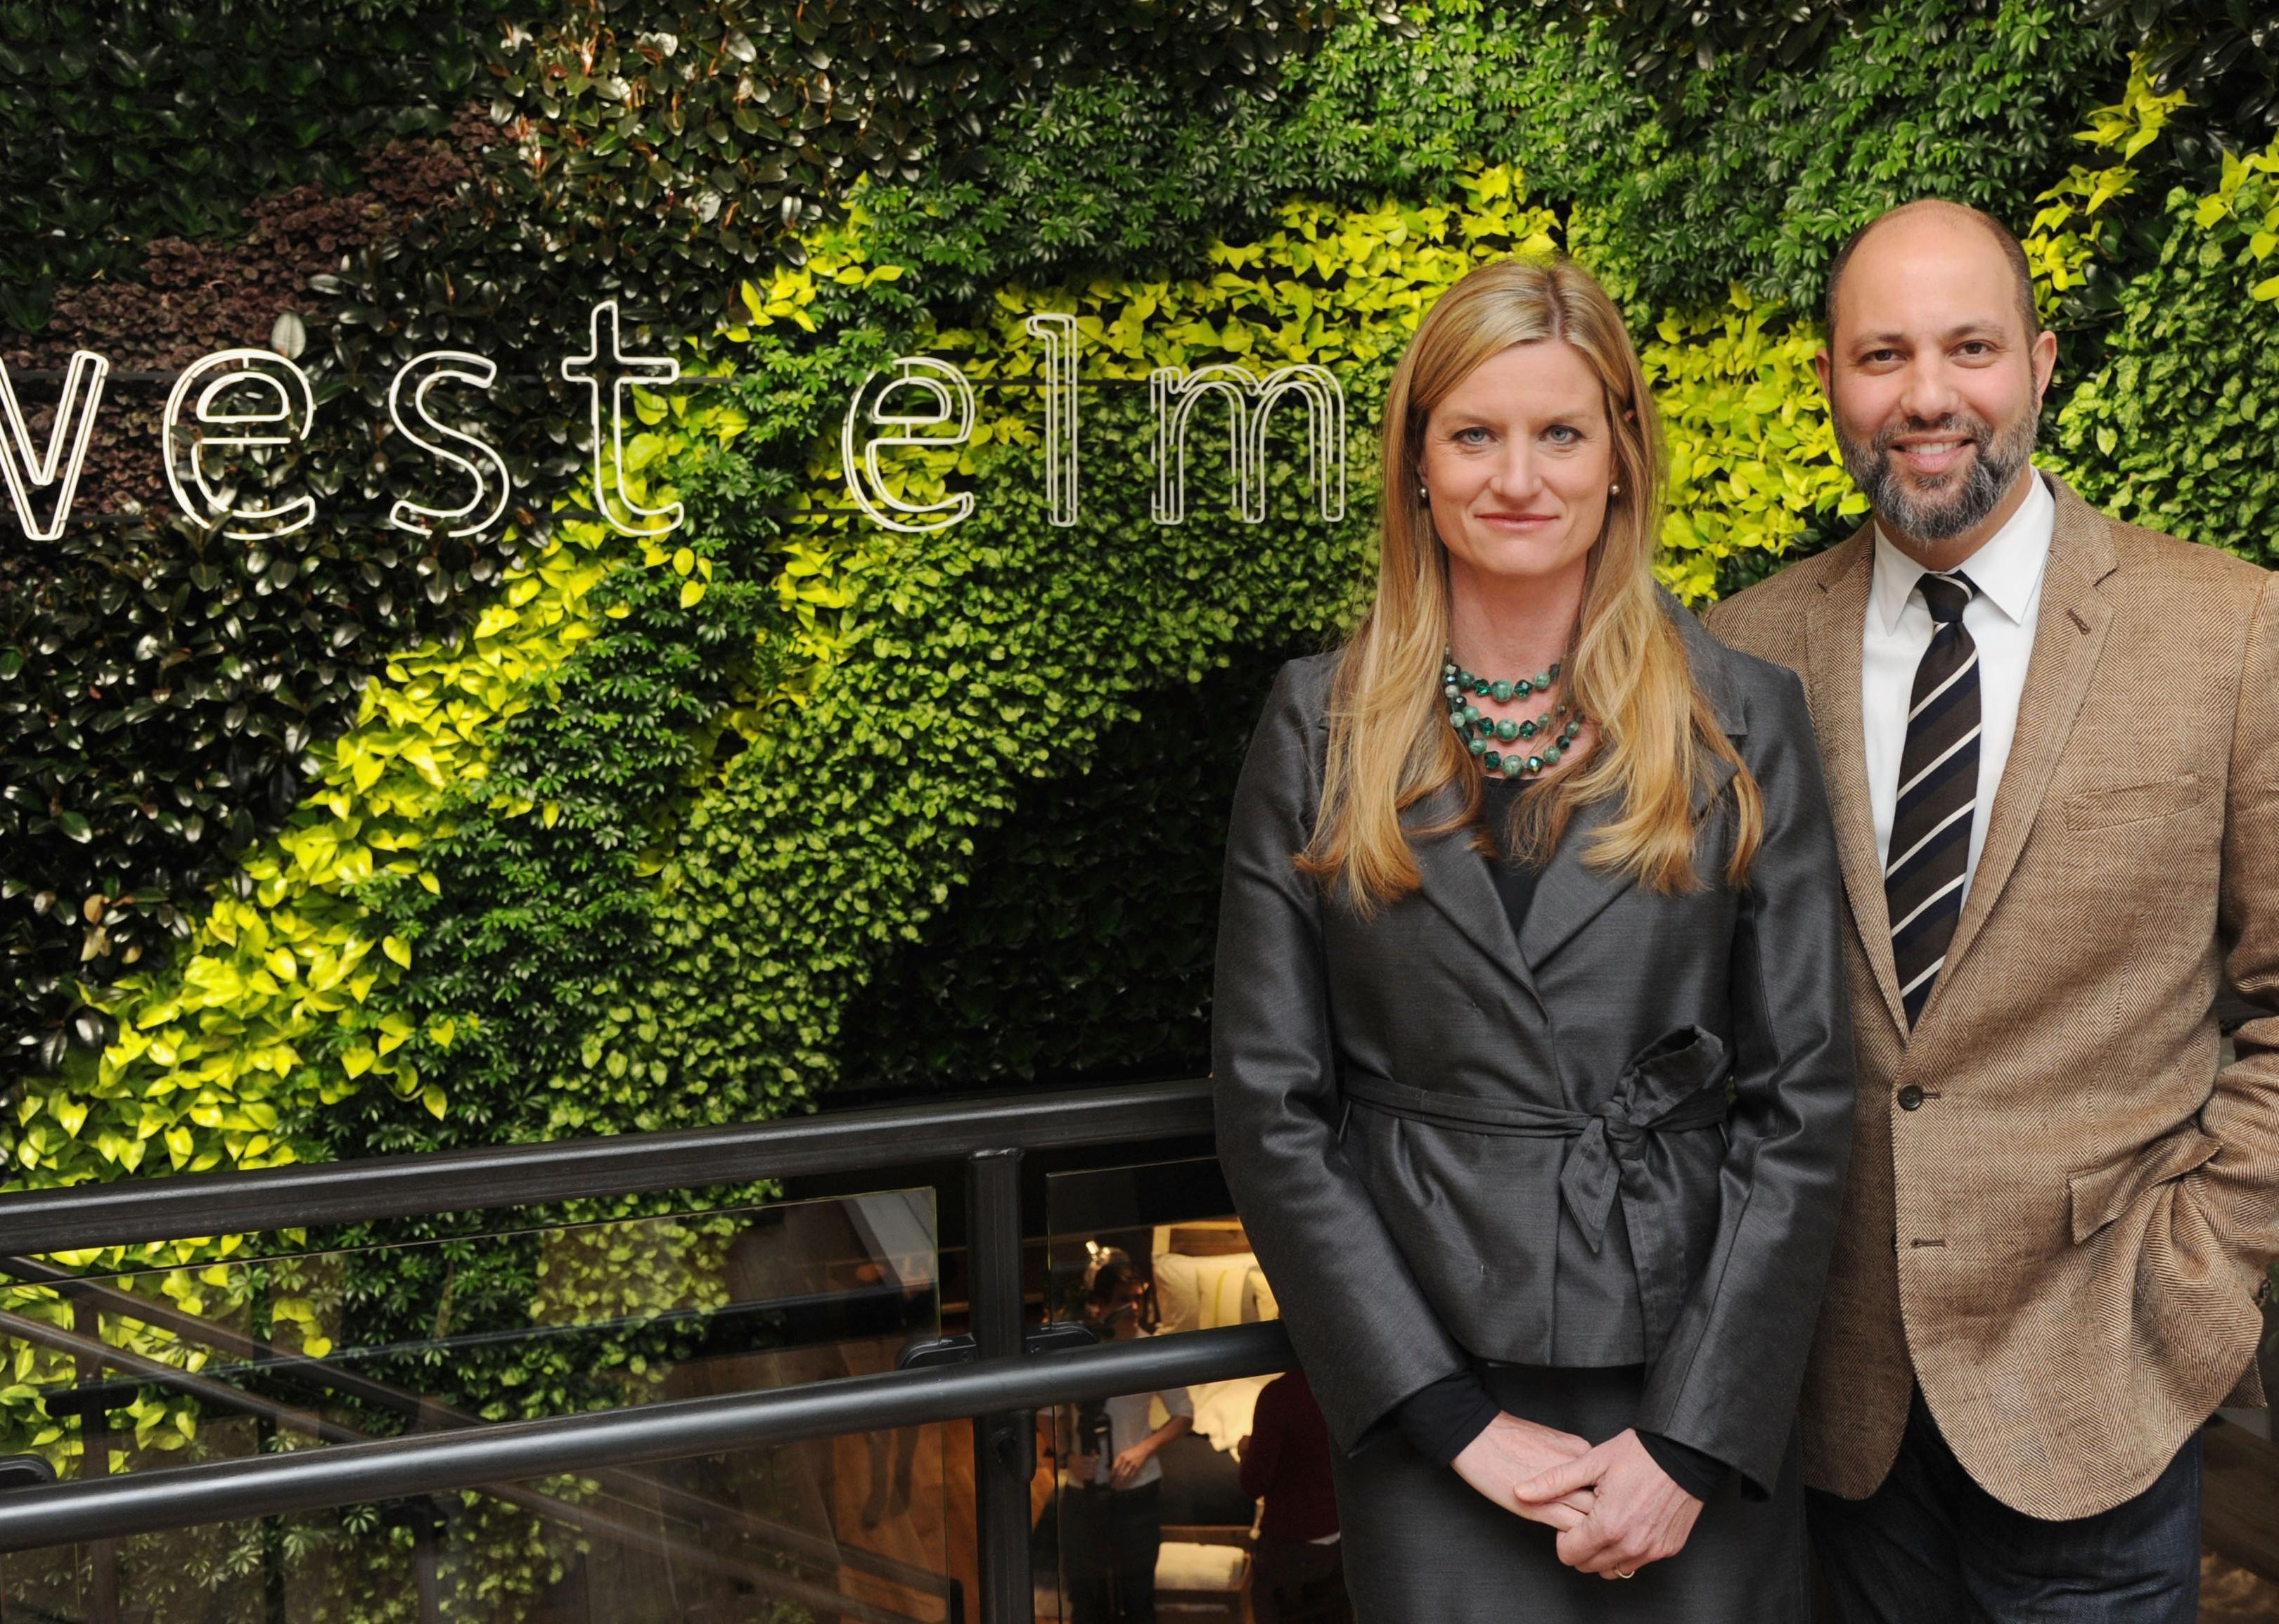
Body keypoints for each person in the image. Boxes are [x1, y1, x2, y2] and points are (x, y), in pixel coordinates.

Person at [1210, 255, 1856, 1623]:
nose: (1519, 475)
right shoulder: (1317, 722)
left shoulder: (1746, 718)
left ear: (1622, 455)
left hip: (1693, 1377)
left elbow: (1802, 1108)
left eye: (1560, 431)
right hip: (1431, 1385)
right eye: (1475, 434)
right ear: (1418, 466)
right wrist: (1443, 1415)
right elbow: (1270, 1108)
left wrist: (1693, 1438)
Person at [1706, 198, 2279, 1623]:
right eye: (1881, 354)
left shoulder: (2232, 633)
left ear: (2039, 360)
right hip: (1834, 1406)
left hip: (2101, 1386)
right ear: (1831, 380)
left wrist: (2195, 1278)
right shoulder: (1742, 649)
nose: (1926, 396)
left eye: (1969, 346)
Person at [1063, 1257, 1194, 1624]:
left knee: (1138, 1598)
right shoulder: (1079, 1350)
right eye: (1124, 1298)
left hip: (1139, 1490)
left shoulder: (1153, 1351)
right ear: (1102, 1304)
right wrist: (1066, 1456)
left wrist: (1144, 1449)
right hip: (1082, 1488)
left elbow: (1184, 1413)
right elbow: (1044, 1411)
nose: (1135, 1307)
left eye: (1139, 1297)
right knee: (1085, 1600)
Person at [1236, 1367, 1349, 1624]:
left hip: (1290, 1545)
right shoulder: (1348, 1389)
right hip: (1342, 1543)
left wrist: (1246, 1451)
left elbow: (1253, 1484)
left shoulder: (1279, 1396)